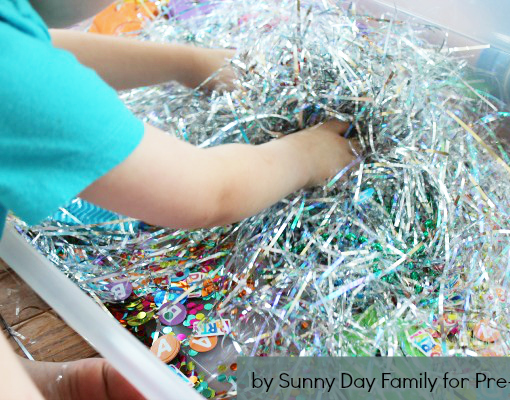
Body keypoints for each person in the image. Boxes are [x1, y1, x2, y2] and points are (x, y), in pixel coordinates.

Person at [0, 0, 356, 398]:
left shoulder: (11, 38)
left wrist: (185, 63)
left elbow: (41, 48)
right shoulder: (12, 70)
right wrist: (307, 155)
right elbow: (208, 190)